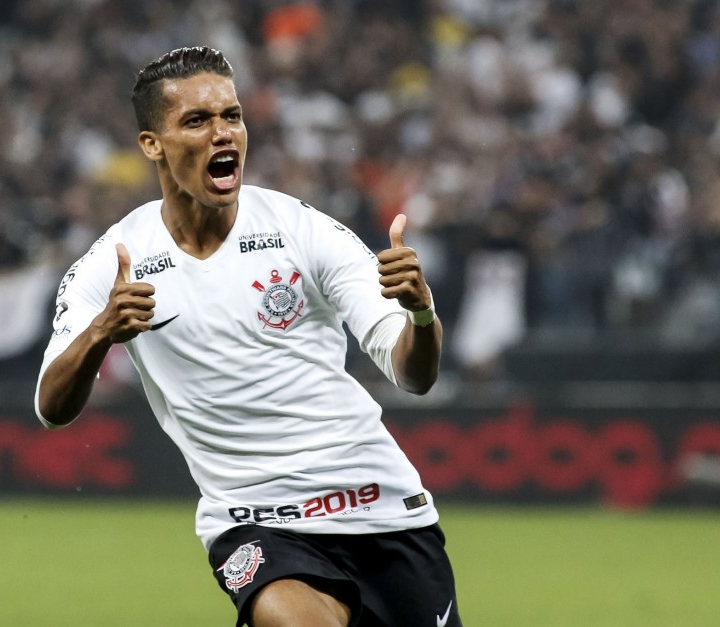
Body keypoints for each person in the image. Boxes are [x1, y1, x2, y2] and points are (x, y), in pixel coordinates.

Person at [34, 46, 461, 627]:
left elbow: (414, 375)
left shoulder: (304, 231)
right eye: (196, 120)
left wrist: (419, 315)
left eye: (231, 116)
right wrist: (100, 333)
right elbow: (51, 408)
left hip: (381, 510)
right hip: (253, 522)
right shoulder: (114, 263)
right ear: (151, 144)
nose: (222, 134)